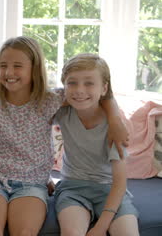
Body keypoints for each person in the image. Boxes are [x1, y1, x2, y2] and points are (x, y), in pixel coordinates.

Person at [0, 36, 129, 236]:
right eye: (3, 66)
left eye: (17, 65)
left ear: (34, 68)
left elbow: (102, 95)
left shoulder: (50, 100)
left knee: (24, 232)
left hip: (32, 183)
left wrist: (115, 120)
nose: (9, 72)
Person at [53, 53, 139, 236]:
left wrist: (100, 227)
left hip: (110, 189)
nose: (79, 90)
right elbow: (27, 96)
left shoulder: (115, 126)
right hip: (72, 188)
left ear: (103, 88)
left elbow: (119, 183)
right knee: (71, 233)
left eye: (89, 83)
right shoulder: (62, 112)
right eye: (72, 83)